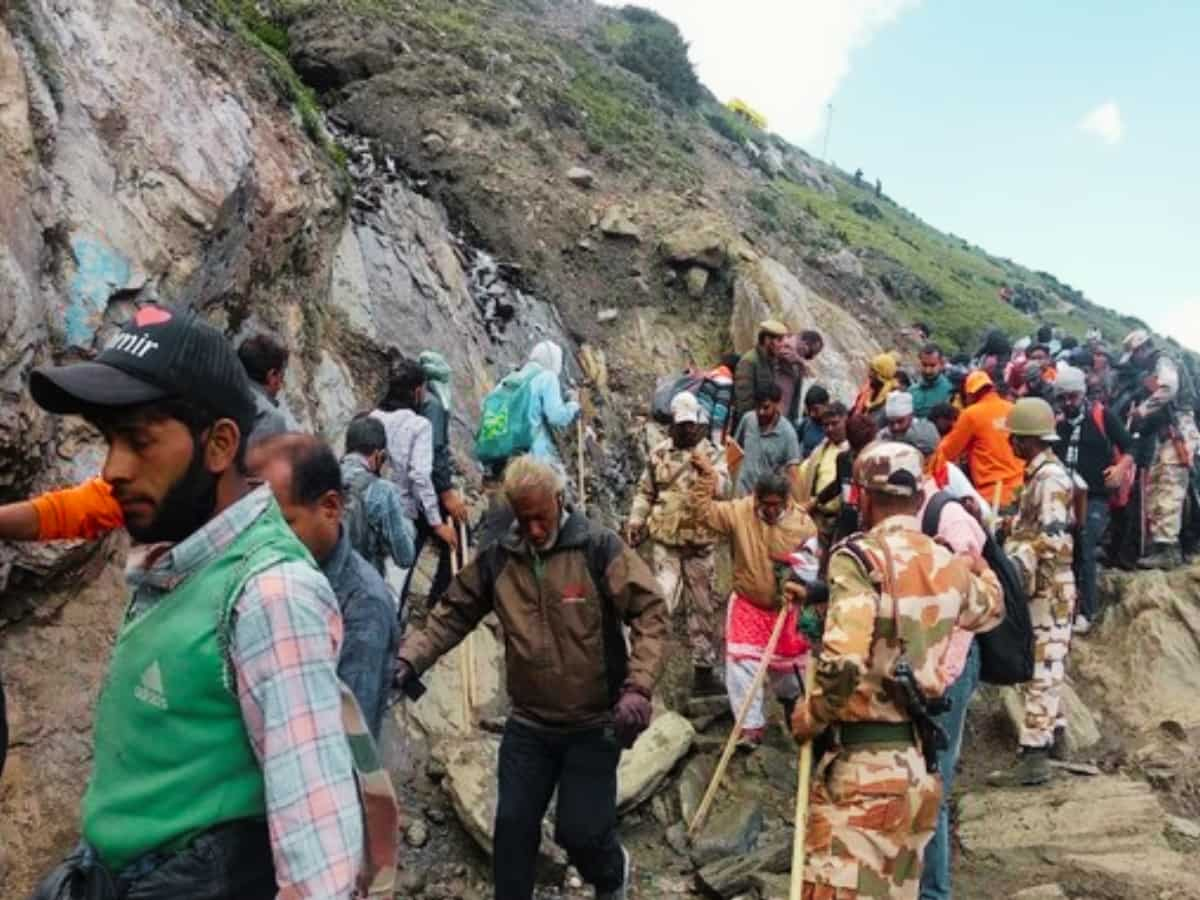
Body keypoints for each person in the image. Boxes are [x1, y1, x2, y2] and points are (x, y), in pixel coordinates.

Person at [26, 306, 390, 898]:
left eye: (139, 441)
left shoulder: (270, 594)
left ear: (220, 445)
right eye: (110, 440)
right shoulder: (185, 560)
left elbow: (318, 852)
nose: (113, 469)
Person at [395, 455, 666, 900]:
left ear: (559, 501)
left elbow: (651, 611)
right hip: (530, 723)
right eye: (524, 520)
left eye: (541, 518)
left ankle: (612, 875)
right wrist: (410, 659)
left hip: (595, 722)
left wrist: (638, 687)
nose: (534, 530)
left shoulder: (598, 548)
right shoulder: (501, 558)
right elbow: (452, 614)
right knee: (512, 832)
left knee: (580, 834)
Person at [790, 442, 1003, 900]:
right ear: (918, 495)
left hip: (863, 773)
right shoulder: (944, 561)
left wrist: (812, 714)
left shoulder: (859, 559)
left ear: (864, 497)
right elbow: (990, 609)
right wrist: (980, 567)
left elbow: (844, 660)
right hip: (914, 771)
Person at [248, 433, 400, 739]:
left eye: (284, 523)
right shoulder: (266, 572)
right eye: (258, 524)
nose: (266, 538)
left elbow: (350, 737)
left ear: (330, 507)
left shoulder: (363, 606)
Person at [689, 455, 817, 749]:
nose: (770, 510)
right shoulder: (740, 512)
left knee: (789, 675)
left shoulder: (803, 525)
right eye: (765, 504)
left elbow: (810, 568)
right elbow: (703, 513)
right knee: (741, 666)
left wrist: (796, 582)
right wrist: (707, 479)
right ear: (755, 498)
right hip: (748, 604)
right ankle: (749, 729)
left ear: (786, 501)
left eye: (777, 504)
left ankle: (794, 714)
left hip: (786, 610)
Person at [913, 438, 992, 900]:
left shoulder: (949, 516)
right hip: (924, 661)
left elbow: (973, 599)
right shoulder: (905, 514)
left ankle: (934, 893)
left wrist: (945, 667)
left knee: (934, 781)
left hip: (949, 663)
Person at [988, 398, 1077, 787]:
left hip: (1048, 589)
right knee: (1045, 663)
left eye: (1013, 438)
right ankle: (1054, 737)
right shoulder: (1039, 477)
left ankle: (1035, 755)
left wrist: (1015, 560)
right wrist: (1012, 527)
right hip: (1043, 588)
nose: (1009, 444)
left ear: (1026, 440)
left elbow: (1055, 540)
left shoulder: (1051, 479)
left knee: (1042, 669)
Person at [626, 393, 729, 696]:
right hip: (666, 543)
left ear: (698, 424)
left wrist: (707, 472)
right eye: (681, 425)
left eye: (691, 425)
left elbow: (725, 489)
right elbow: (646, 492)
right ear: (672, 424)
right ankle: (646, 669)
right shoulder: (659, 453)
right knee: (659, 603)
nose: (686, 431)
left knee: (703, 608)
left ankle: (704, 671)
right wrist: (636, 521)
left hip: (700, 544)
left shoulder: (714, 453)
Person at [1054, 366, 1133, 634]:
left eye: (1073, 397)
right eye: (1062, 398)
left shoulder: (1102, 416)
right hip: (1066, 496)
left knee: (1085, 544)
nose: (1068, 403)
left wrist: (1120, 468)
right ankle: (1065, 603)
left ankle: (1088, 611)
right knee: (1066, 547)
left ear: (1083, 394)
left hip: (1096, 496)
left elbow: (1130, 445)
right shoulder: (1060, 425)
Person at [371, 358, 458, 602]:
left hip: (370, 510)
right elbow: (420, 475)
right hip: (401, 514)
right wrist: (436, 522)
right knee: (392, 591)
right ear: (418, 391)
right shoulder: (419, 426)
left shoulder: (372, 417)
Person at [1123, 330, 1200, 569]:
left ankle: (1168, 548)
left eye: (1134, 355)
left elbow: (1169, 388)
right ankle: (1163, 544)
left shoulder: (1163, 361)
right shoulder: (1154, 367)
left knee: (1170, 487)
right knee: (1159, 486)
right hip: (1167, 434)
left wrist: (1142, 410)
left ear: (1140, 349)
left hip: (1179, 430)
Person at [932, 370, 1024, 509]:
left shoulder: (971, 414)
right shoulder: (1012, 408)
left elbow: (948, 451)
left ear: (970, 395)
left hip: (992, 494)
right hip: (1020, 489)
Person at [418, 352, 468, 606]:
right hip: (427, 490)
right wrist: (447, 493)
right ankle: (441, 604)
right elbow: (435, 451)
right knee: (458, 533)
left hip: (415, 489)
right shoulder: (434, 406)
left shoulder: (415, 401)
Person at [340, 414, 417, 578]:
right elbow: (405, 557)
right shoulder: (383, 492)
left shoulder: (322, 472)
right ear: (377, 455)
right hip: (358, 588)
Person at [733, 383, 802, 497]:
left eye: (766, 407)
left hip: (764, 500)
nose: (761, 412)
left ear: (777, 404)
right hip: (739, 494)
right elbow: (735, 449)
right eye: (757, 407)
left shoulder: (788, 434)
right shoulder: (748, 420)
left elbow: (793, 472)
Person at [796, 402, 849, 548]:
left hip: (840, 521)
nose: (830, 429)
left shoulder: (852, 450)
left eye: (834, 423)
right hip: (816, 517)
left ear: (846, 419)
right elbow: (802, 472)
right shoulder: (821, 449)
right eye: (826, 425)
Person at [236, 333, 290, 443]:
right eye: (281, 377)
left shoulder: (218, 384)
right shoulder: (270, 419)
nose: (280, 385)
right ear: (272, 375)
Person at [734, 320, 788, 424]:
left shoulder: (770, 362)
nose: (782, 345)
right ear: (767, 340)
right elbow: (744, 404)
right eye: (779, 340)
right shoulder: (748, 362)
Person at [776, 329, 825, 424]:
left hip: (787, 405)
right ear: (803, 343)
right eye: (810, 352)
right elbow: (784, 354)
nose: (811, 357)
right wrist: (800, 361)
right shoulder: (788, 345)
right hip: (779, 400)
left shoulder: (797, 355)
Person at [696, 353, 739, 445]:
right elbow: (719, 414)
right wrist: (717, 443)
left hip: (694, 418)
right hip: (702, 425)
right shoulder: (725, 381)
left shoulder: (713, 373)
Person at [852, 352, 900, 424]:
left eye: (874, 372)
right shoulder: (870, 389)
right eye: (871, 370)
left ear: (883, 375)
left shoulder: (891, 401)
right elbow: (856, 408)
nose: (869, 374)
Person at [910, 343, 954, 419]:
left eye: (932, 365)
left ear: (941, 364)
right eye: (924, 365)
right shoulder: (912, 390)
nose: (928, 370)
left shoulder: (949, 391)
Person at [795, 384, 830, 459]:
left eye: (815, 409)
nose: (812, 414)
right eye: (809, 410)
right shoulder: (806, 424)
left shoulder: (833, 427)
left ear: (826, 404)